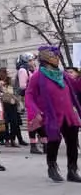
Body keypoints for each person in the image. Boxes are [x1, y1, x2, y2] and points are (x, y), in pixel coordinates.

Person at [24, 44, 81, 182]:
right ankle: (52, 168)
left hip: (69, 114)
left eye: (57, 56)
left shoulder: (63, 74)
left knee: (73, 142)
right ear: (46, 58)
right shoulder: (38, 75)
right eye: (55, 56)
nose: (57, 58)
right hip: (52, 115)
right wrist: (35, 110)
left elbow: (77, 86)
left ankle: (72, 171)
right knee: (54, 142)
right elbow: (29, 95)